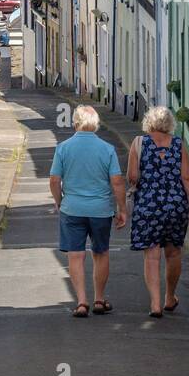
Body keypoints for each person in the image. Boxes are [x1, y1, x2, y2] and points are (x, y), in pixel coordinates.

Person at [50, 105, 126, 318]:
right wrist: (122, 209)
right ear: (96, 124)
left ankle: (82, 302)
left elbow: (55, 180)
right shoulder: (107, 149)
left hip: (72, 208)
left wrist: (59, 201)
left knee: (75, 255)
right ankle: (99, 299)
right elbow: (117, 181)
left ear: (75, 123)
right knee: (101, 253)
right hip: (101, 210)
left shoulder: (63, 148)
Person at [126, 106, 189, 318]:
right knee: (174, 252)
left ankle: (155, 304)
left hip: (148, 206)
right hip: (175, 205)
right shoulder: (178, 144)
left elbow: (132, 177)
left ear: (148, 122)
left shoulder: (139, 143)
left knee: (151, 256)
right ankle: (170, 296)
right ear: (170, 124)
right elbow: (187, 178)